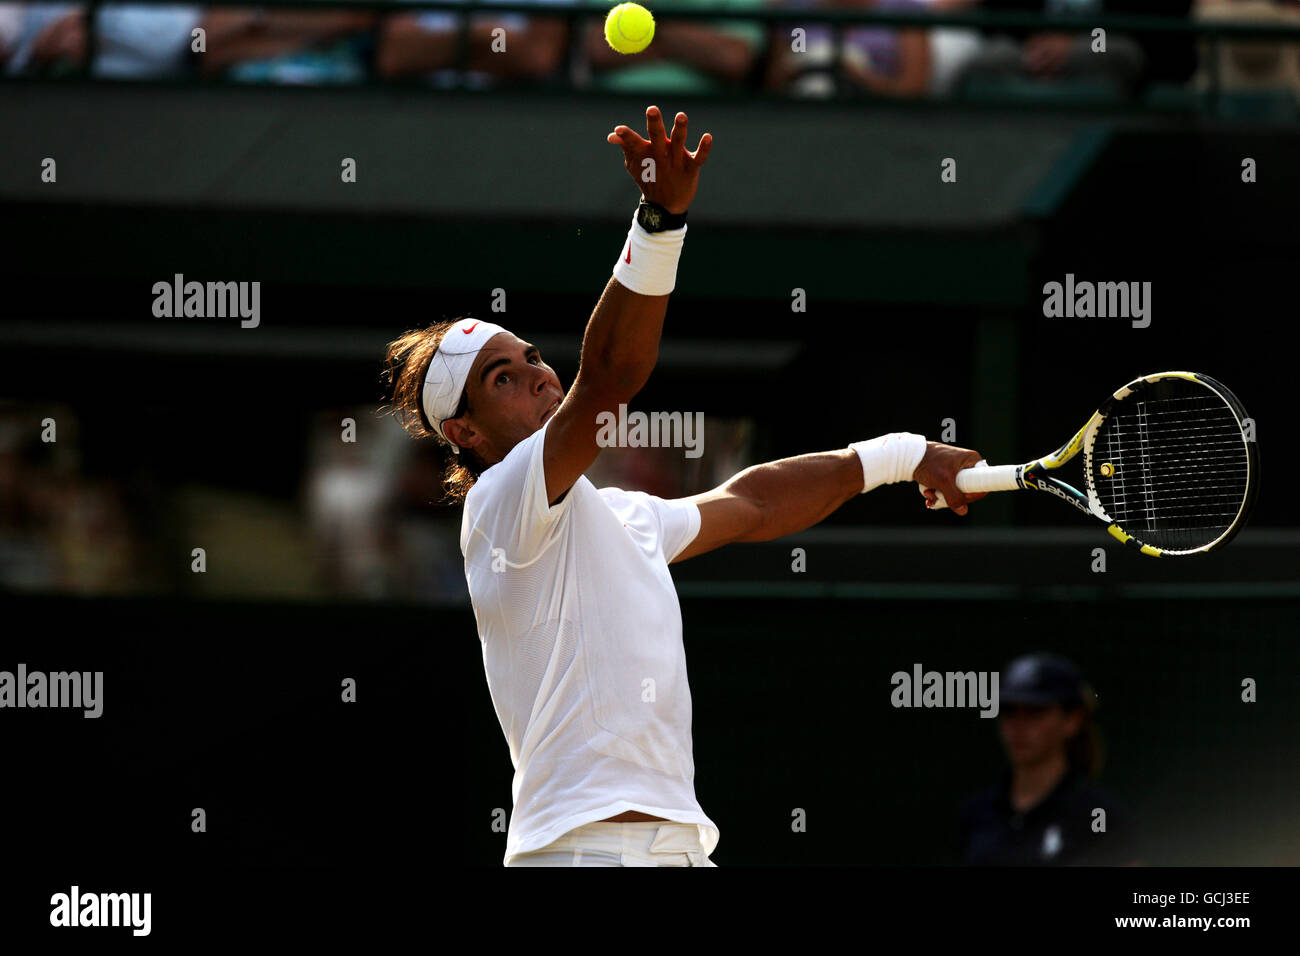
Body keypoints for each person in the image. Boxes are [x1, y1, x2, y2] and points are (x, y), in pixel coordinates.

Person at [382, 105, 988, 866]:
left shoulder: (624, 519)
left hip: (677, 847)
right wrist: (659, 221)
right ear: (465, 434)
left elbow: (756, 502)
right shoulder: (499, 506)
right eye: (503, 378)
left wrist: (900, 456)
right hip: (580, 853)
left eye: (532, 356)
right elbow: (606, 383)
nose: (538, 373)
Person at [959, 652, 1141, 865]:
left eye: (1035, 712)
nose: (1018, 726)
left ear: (1072, 720)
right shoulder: (977, 814)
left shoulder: (1097, 815)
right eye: (1008, 712)